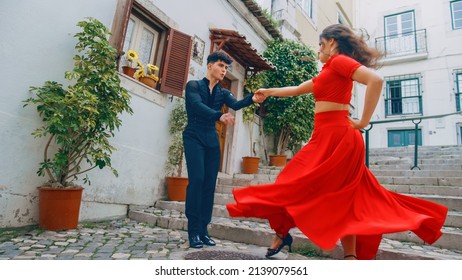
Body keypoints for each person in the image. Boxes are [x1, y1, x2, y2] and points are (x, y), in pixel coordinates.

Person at [226, 24, 448, 260]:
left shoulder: (340, 61)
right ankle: (341, 253)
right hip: (324, 136)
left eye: (321, 44)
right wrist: (268, 91)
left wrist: (363, 120)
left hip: (338, 137)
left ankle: (288, 236)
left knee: (297, 184)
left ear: (332, 42)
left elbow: (376, 80)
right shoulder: (329, 70)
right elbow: (299, 89)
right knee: (339, 197)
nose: (319, 50)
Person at [183, 51, 259, 248]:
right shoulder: (193, 86)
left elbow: (236, 104)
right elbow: (197, 106)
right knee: (197, 180)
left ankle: (203, 230)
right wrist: (219, 116)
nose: (224, 70)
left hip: (211, 140)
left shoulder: (223, 93)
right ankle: (193, 232)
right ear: (209, 66)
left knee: (209, 185)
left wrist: (253, 98)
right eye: (221, 66)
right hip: (193, 136)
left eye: (226, 68)